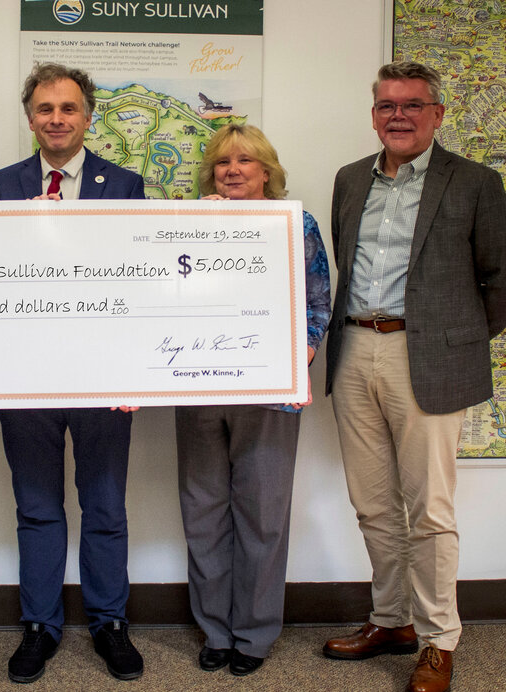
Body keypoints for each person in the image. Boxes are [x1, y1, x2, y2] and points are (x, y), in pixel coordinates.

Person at [323, 61, 506, 692]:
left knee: (429, 510)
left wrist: (452, 343)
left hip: (425, 358)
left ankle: (437, 639)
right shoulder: (351, 180)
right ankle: (391, 619)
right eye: (386, 105)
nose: (397, 115)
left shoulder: (477, 182)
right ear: (373, 113)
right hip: (353, 351)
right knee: (373, 505)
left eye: (410, 105)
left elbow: (499, 279)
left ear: (437, 113)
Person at [0, 62, 146, 684]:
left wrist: (136, 372)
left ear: (88, 116)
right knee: (36, 506)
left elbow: (143, 278)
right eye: (46, 109)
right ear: (31, 118)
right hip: (26, 374)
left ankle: (109, 623)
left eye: (69, 108)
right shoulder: (3, 185)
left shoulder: (125, 184)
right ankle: (39, 625)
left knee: (105, 504)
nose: (57, 118)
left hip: (105, 376)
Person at [176, 124, 331, 677]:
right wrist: (208, 224)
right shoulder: (188, 222)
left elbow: (317, 303)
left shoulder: (294, 224)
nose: (233, 170)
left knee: (263, 514)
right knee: (203, 512)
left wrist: (298, 357)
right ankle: (215, 629)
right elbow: (159, 298)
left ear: (267, 171)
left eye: (245, 161)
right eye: (222, 163)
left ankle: (255, 634)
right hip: (198, 388)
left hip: (269, 391)